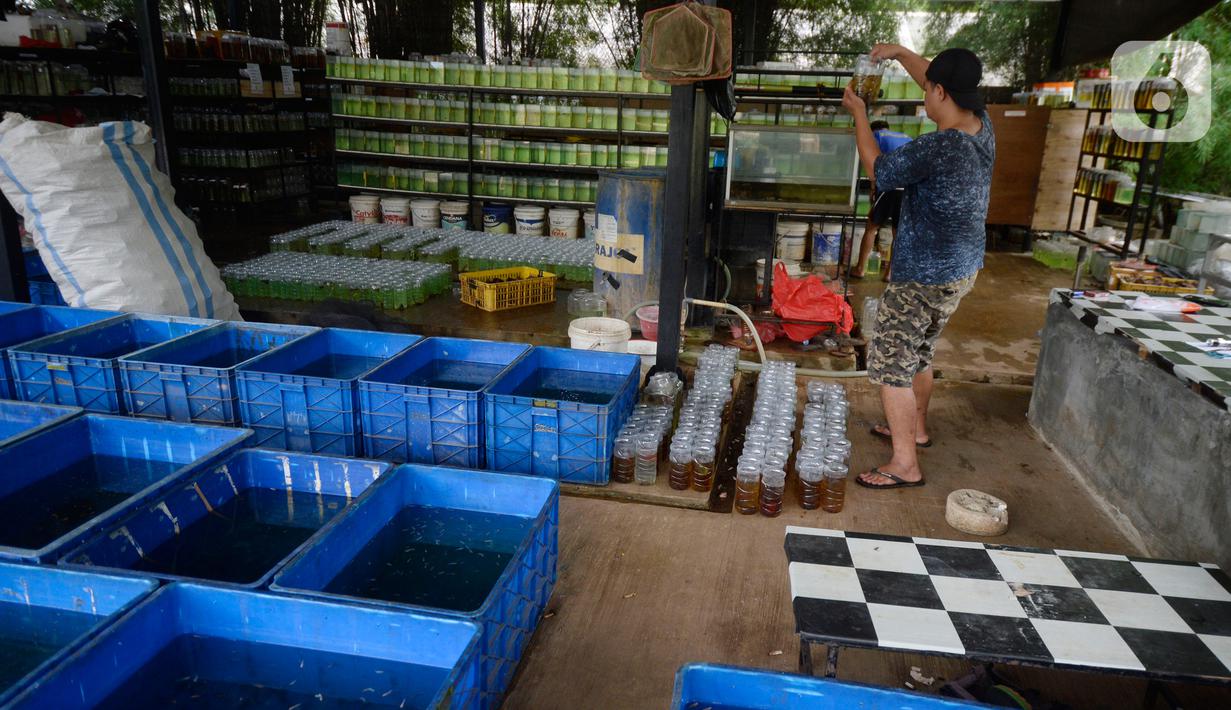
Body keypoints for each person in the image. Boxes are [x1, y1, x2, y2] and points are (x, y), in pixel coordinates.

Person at [841, 45, 995, 490]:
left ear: (941, 92)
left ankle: (904, 463)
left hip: (922, 276)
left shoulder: (940, 147)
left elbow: (878, 167)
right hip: (961, 269)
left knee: (892, 361)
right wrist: (897, 53)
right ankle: (918, 430)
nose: (923, 92)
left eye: (928, 89)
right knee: (919, 351)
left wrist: (859, 113)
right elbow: (936, 75)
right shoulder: (982, 128)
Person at [851, 119, 912, 279]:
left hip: (888, 186)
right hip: (907, 188)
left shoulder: (876, 136)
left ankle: (860, 269)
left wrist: (873, 188)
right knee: (898, 232)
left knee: (872, 227)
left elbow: (874, 163)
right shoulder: (906, 136)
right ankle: (890, 273)